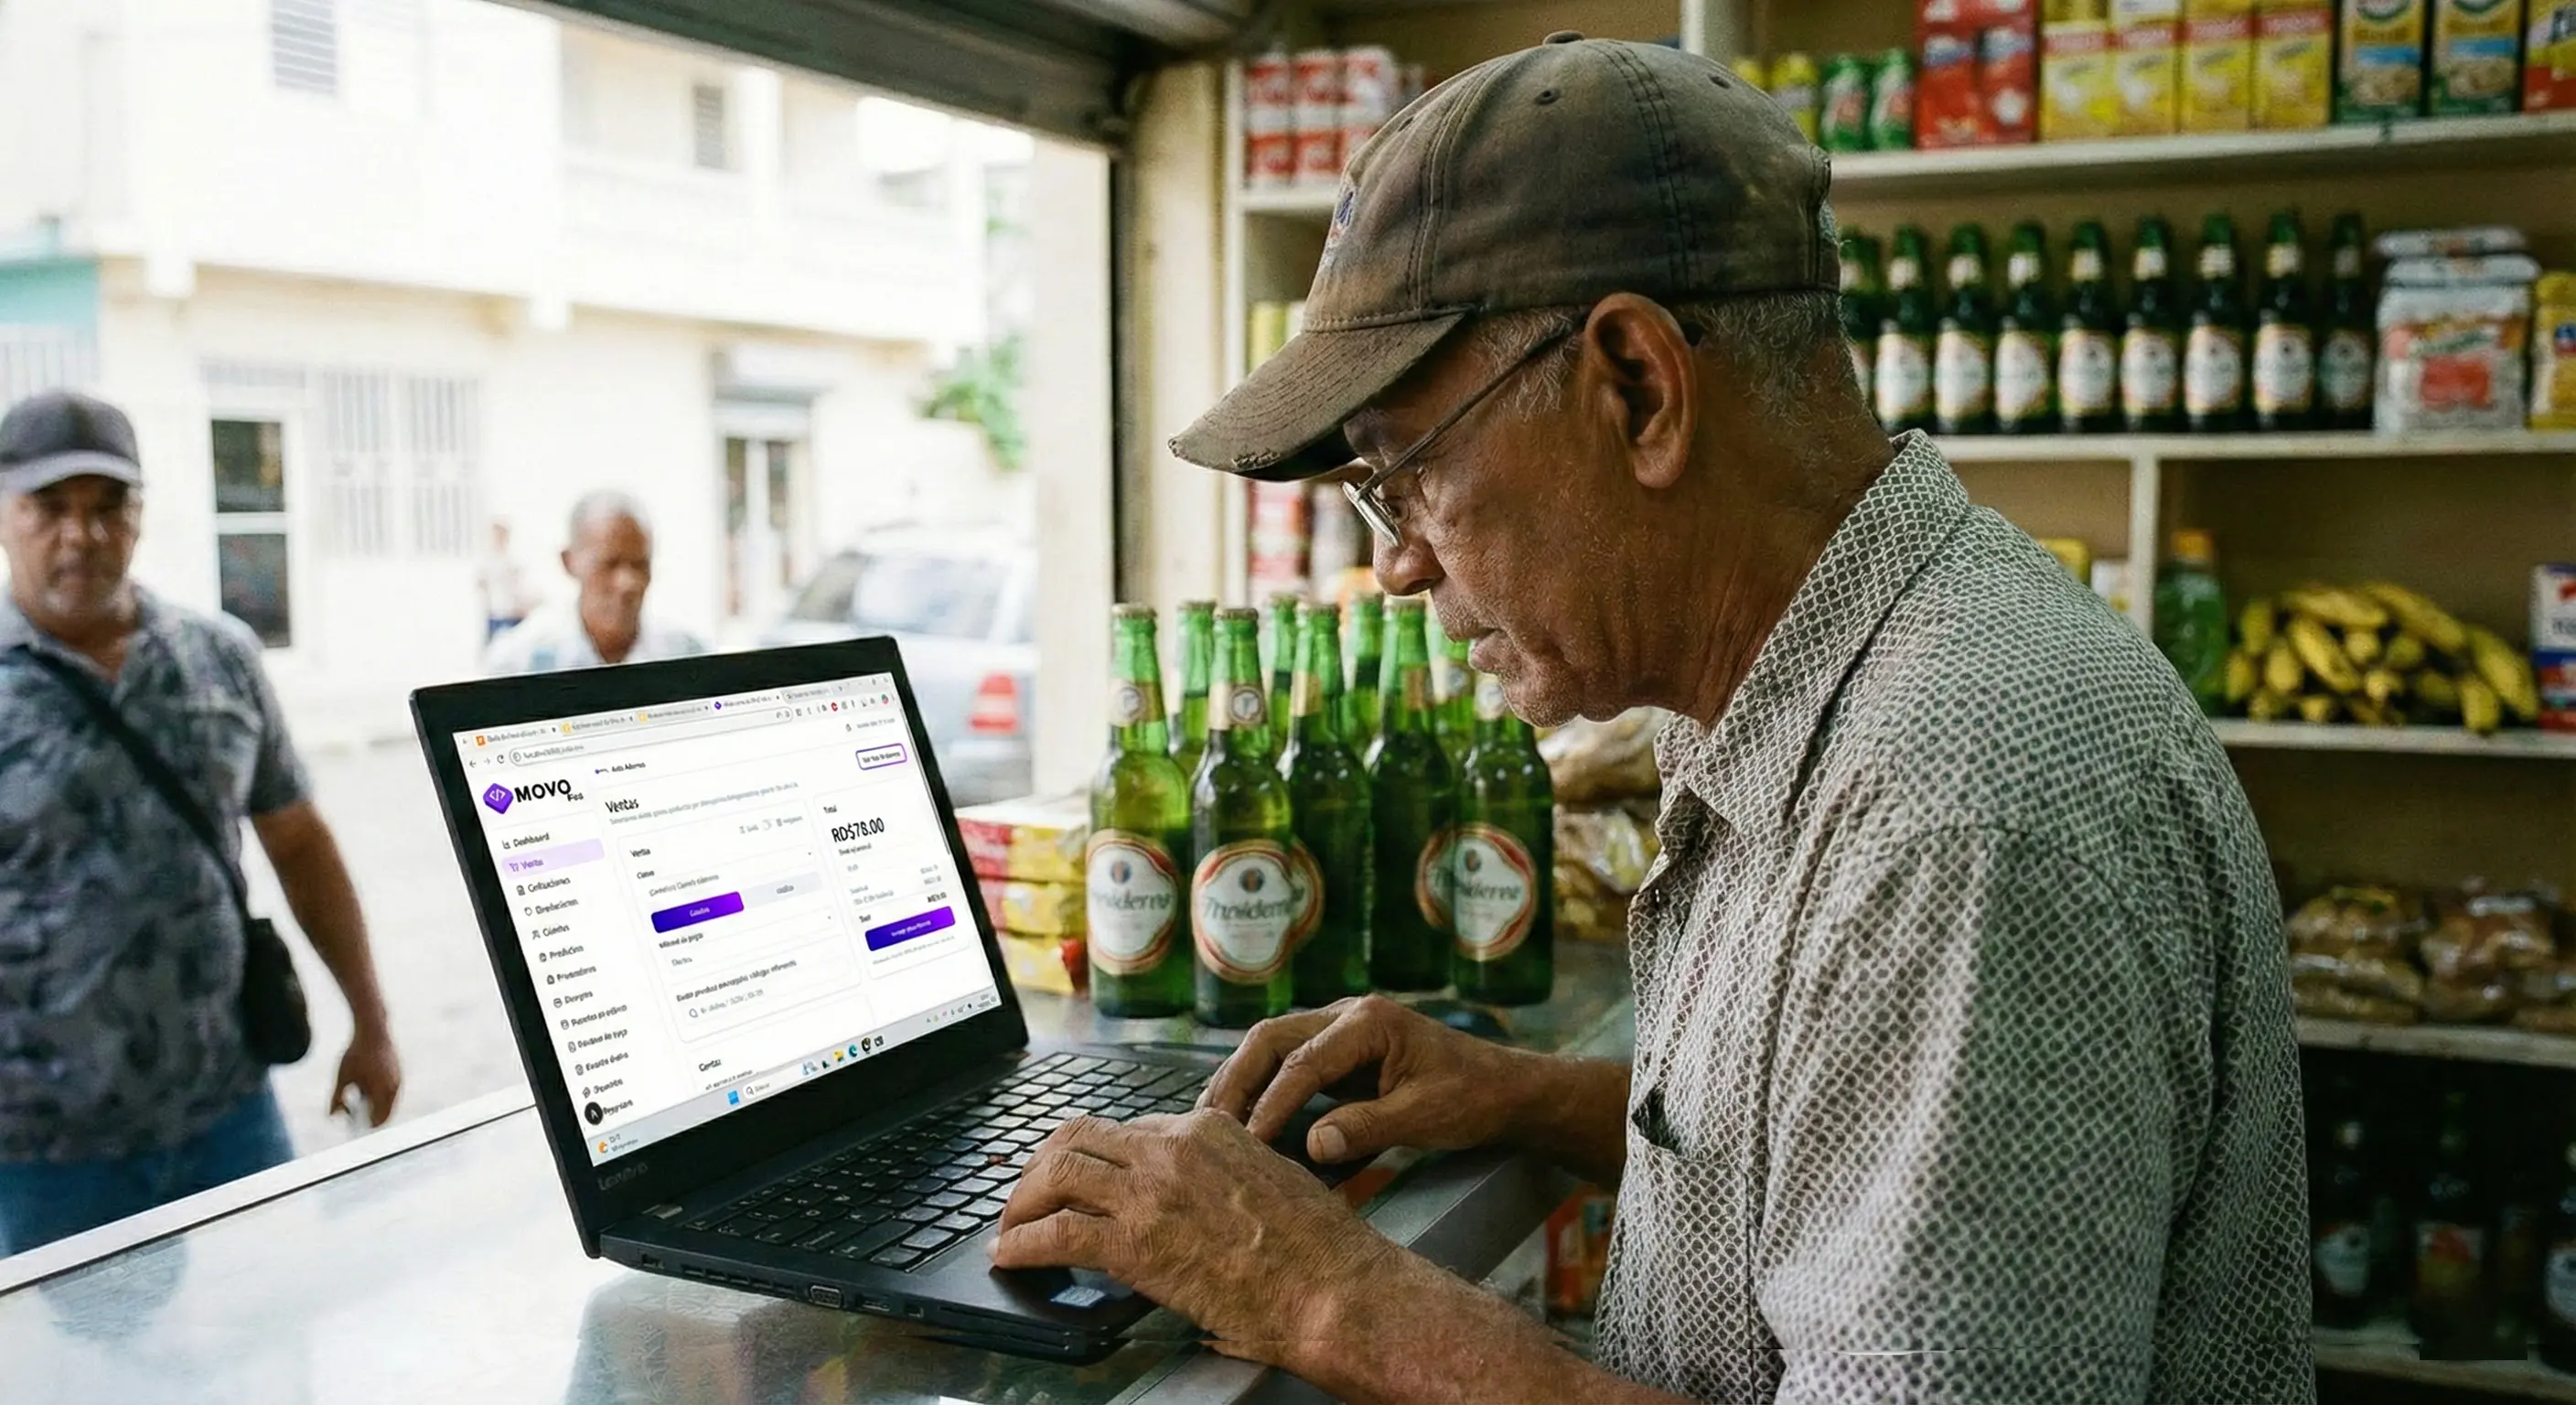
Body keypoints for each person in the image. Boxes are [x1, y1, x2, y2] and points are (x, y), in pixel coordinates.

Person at [993, 35, 2311, 1403]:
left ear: (1636, 386)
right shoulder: (1794, 678)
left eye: (1403, 473)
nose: (1394, 561)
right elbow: (1842, 1162)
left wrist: (1321, 1292)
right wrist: (1526, 1093)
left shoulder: (1953, 807)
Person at [0, 390, 402, 1254]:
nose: (82, 535)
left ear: (140, 515)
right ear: (6, 513)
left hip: (230, 1117)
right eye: (49, 509)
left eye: (109, 507)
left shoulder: (217, 657)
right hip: (39, 1156)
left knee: (272, 1365)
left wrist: (371, 1024)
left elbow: (299, 843)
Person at [483, 490, 705, 674]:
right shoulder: (518, 663)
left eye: (640, 565)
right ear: (568, 562)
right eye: (609, 564)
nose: (627, 583)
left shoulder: (690, 656)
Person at [477, 519, 534, 643]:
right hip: (495, 613)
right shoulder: (488, 560)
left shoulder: (513, 560)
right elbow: (481, 584)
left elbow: (519, 587)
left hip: (513, 614)